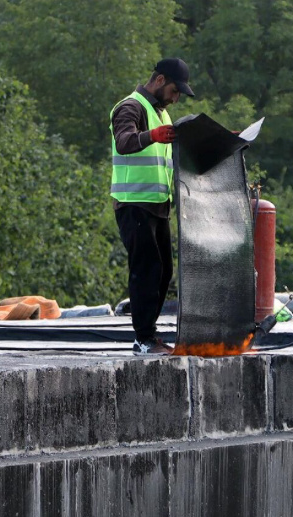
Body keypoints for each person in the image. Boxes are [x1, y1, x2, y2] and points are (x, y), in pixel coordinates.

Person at [110, 58, 195, 355]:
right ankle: (144, 338)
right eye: (174, 91)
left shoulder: (163, 114)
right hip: (134, 203)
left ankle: (149, 335)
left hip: (157, 204)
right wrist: (152, 136)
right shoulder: (130, 108)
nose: (176, 98)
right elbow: (124, 141)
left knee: (163, 272)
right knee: (146, 270)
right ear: (159, 80)